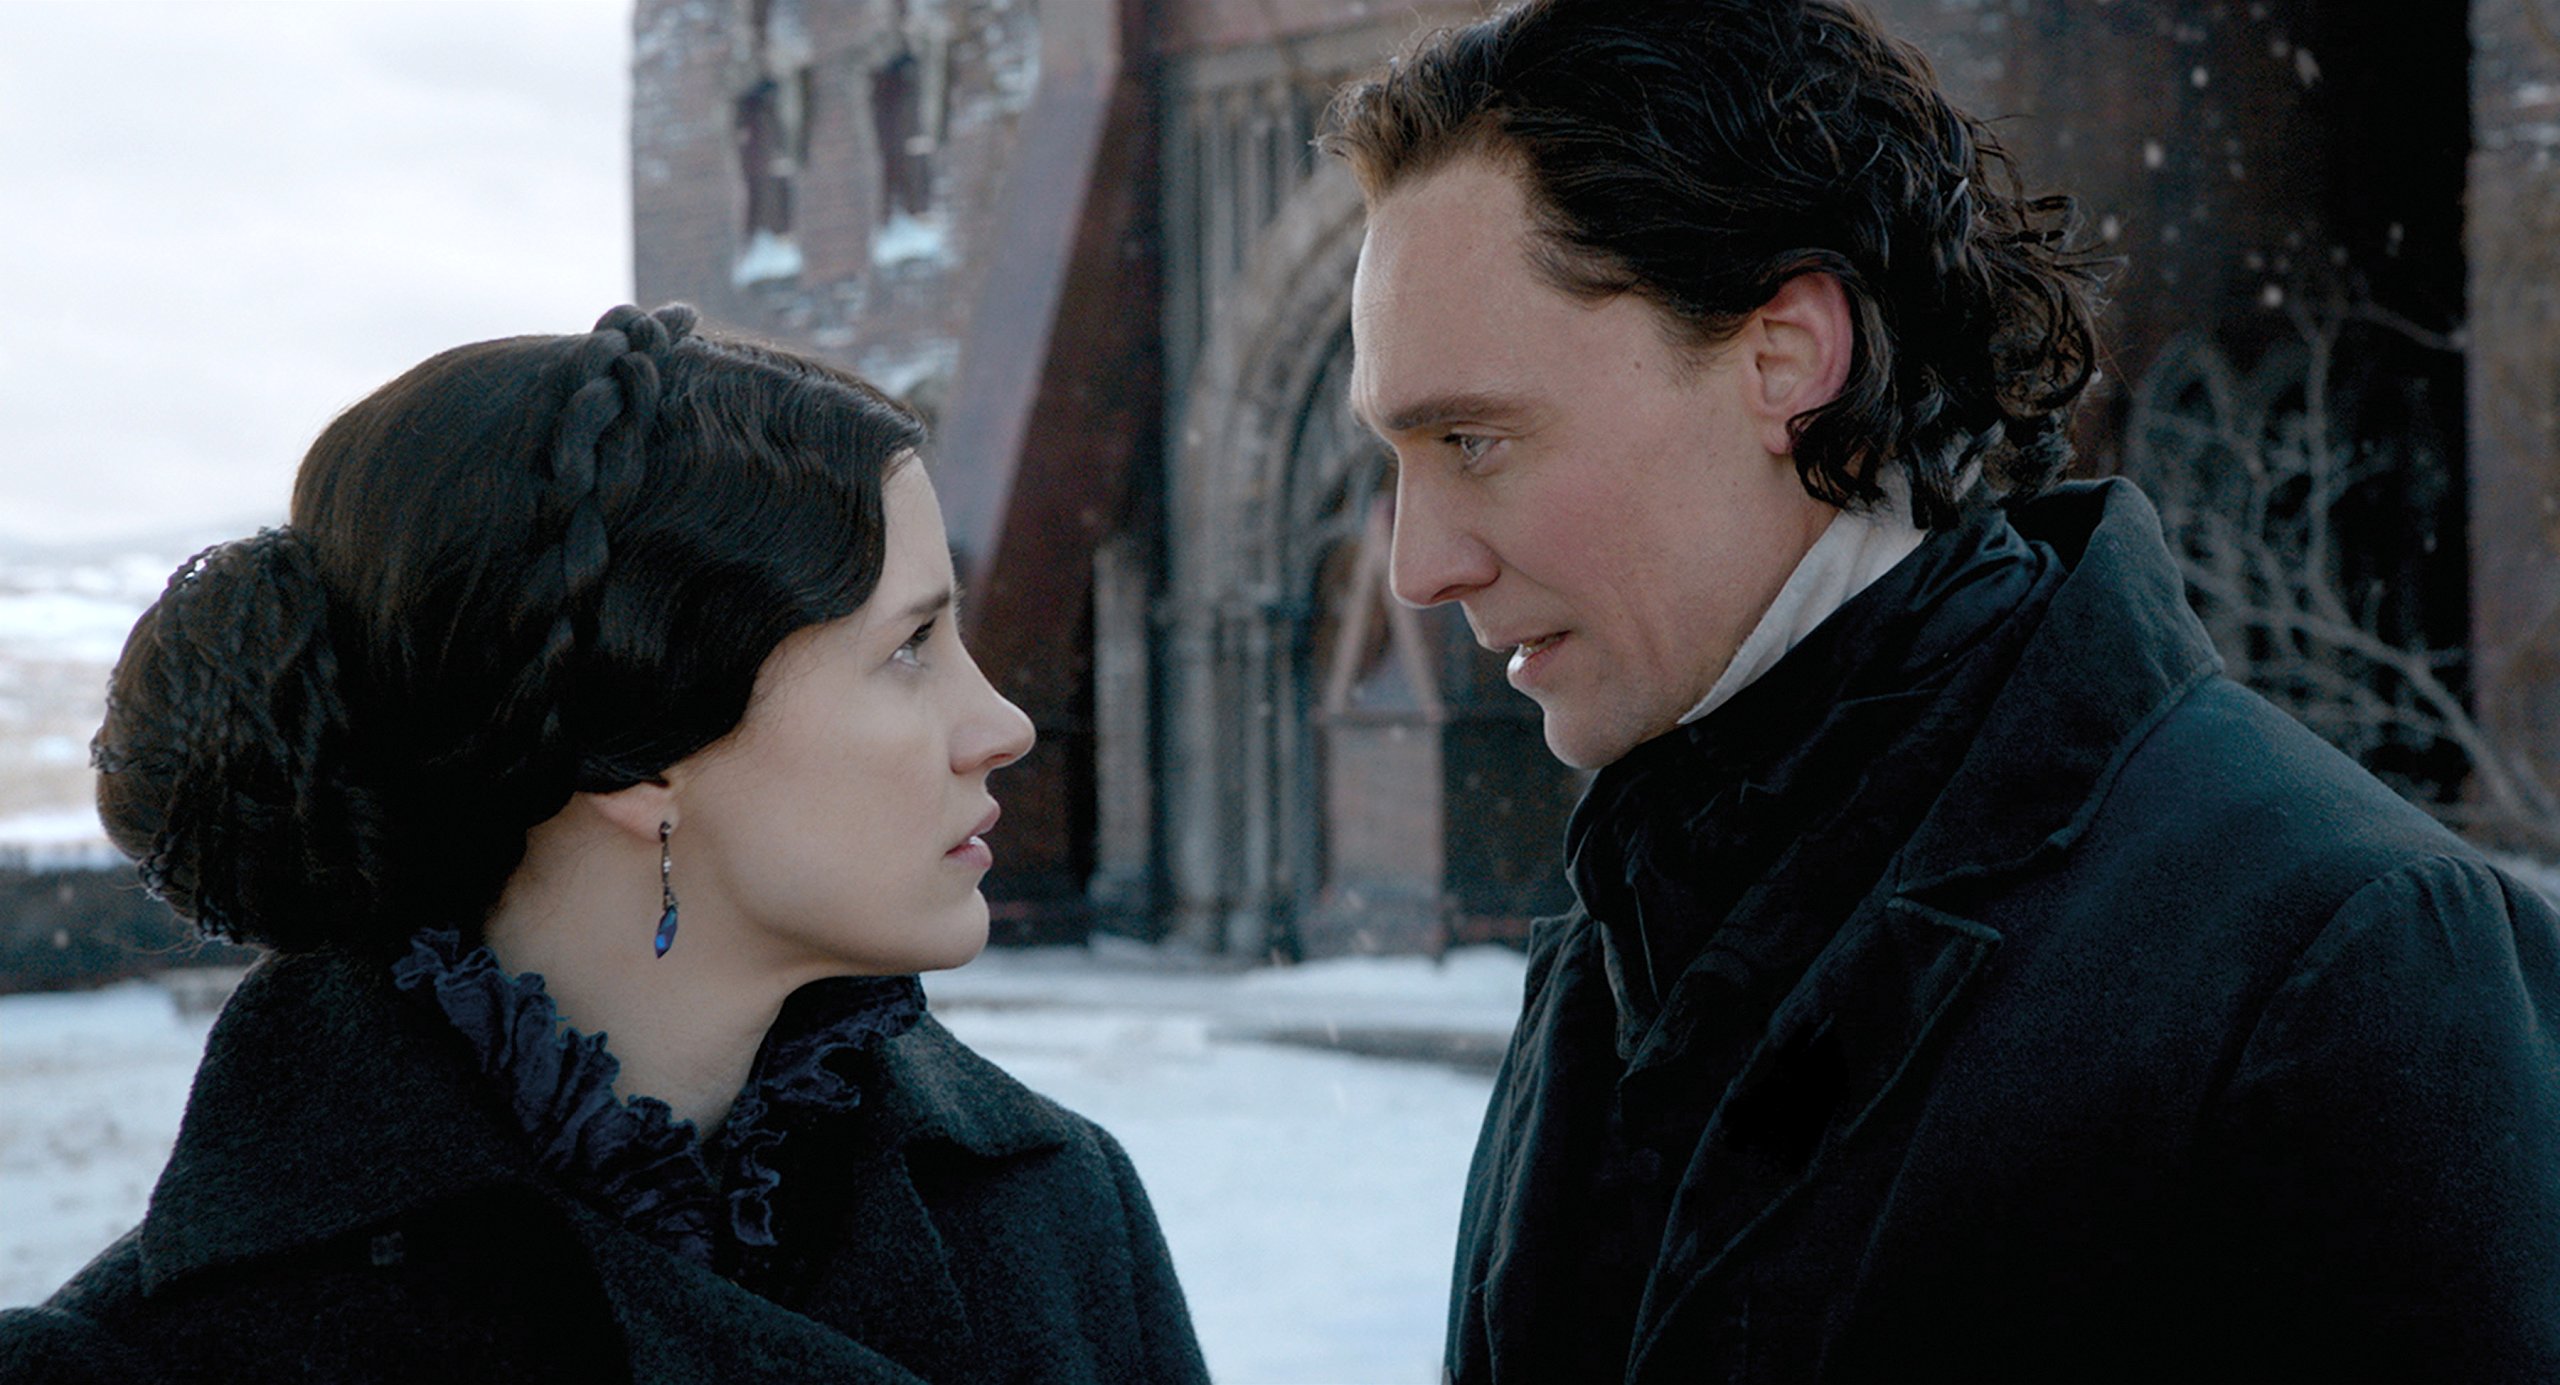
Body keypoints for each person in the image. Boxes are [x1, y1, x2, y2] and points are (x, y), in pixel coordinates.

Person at [1323, 1, 2560, 1380]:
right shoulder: (1623, 920)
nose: (1417, 568)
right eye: (1396, 456)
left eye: (1473, 440)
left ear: (1786, 357)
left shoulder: (2342, 954)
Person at [0, 305, 1209, 1383]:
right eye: (908, 646)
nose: (1001, 726)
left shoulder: (1056, 1214)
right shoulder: (164, 1359)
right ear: (642, 755)